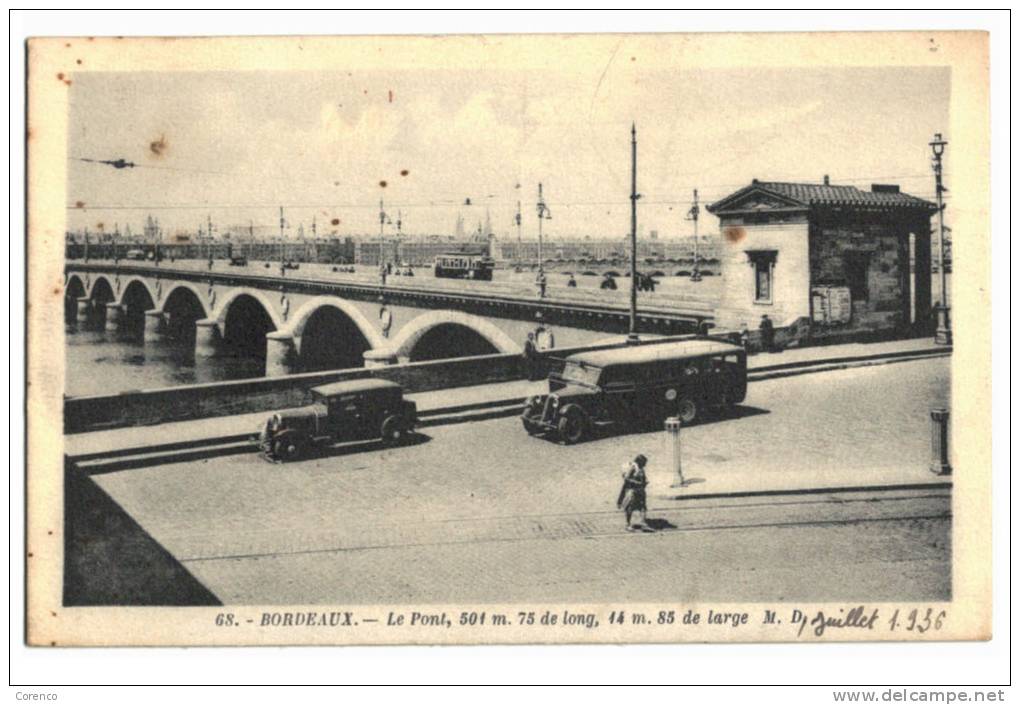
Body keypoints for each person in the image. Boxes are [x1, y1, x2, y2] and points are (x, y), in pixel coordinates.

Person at [617, 454, 650, 531]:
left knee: (643, 507)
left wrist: (645, 482)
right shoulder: (633, 467)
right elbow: (627, 478)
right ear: (640, 462)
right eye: (644, 462)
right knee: (630, 507)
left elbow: (644, 478)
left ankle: (643, 523)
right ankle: (628, 524)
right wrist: (637, 482)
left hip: (640, 490)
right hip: (632, 490)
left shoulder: (641, 469)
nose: (645, 465)